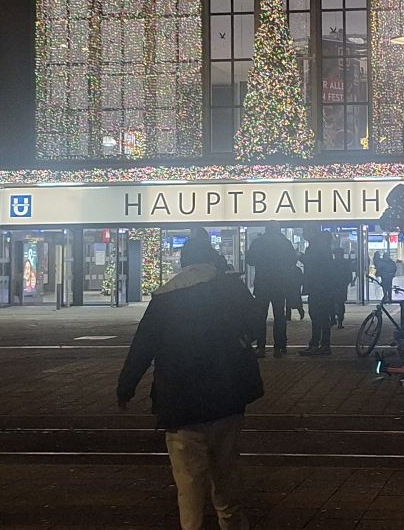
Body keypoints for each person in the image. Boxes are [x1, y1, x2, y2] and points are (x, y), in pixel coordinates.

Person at [117, 230, 262, 530]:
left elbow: (142, 346)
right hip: (226, 399)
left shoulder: (165, 297)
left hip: (180, 405)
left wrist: (126, 386)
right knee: (227, 484)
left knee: (190, 488)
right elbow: (255, 319)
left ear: (183, 262)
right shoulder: (229, 287)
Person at [245, 224, 296, 358]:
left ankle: (261, 347)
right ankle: (279, 346)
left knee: (260, 316)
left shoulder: (259, 242)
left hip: (262, 283)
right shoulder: (284, 242)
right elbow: (293, 260)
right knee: (279, 315)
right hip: (279, 283)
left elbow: (250, 260)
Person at [299, 230, 335, 356]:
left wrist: (301, 257)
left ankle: (318, 344)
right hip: (322, 287)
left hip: (318, 287)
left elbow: (314, 266)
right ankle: (322, 344)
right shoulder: (324, 248)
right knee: (321, 316)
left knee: (317, 315)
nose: (304, 233)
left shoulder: (317, 248)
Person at [331, 247, 353, 329]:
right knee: (340, 304)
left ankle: (335, 320)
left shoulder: (332, 263)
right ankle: (339, 321)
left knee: (334, 303)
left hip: (335, 286)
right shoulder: (345, 263)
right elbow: (349, 274)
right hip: (341, 286)